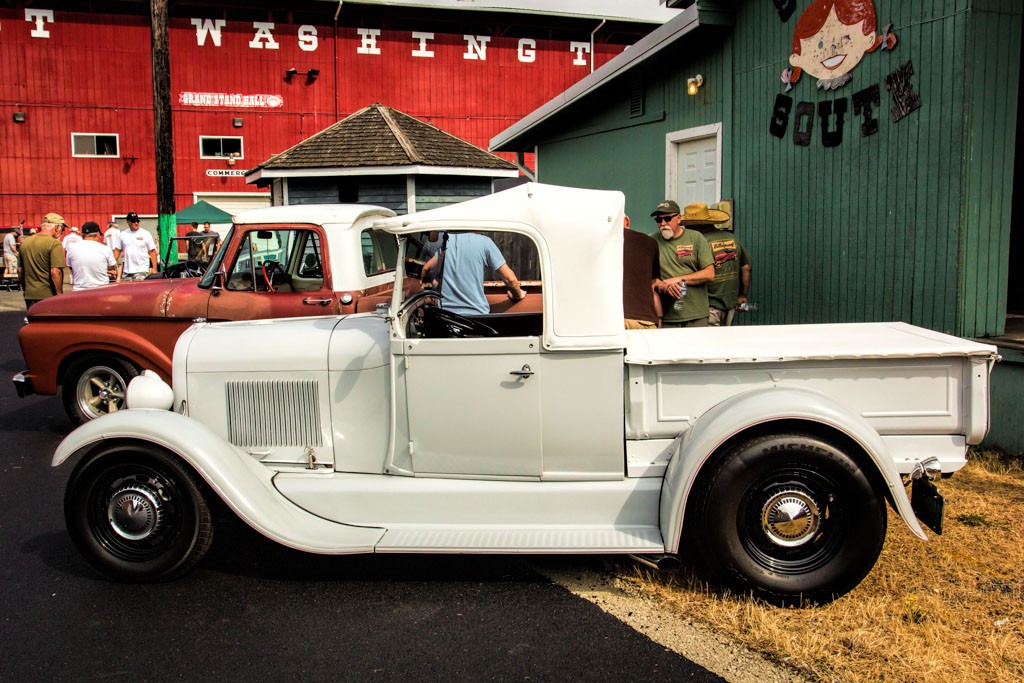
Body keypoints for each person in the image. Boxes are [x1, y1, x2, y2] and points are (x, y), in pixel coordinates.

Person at [421, 232, 525, 316]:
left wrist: (430, 286)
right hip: (476, 318)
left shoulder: (448, 242)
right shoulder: (485, 243)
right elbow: (510, 279)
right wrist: (518, 295)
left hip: (447, 317)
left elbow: (427, 268)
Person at [683, 203, 752, 326]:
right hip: (730, 302)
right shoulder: (732, 238)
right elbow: (746, 268)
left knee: (709, 343)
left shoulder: (698, 242)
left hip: (707, 305)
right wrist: (742, 296)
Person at [651, 200, 715, 328]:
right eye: (659, 220)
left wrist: (677, 279)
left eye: (667, 218)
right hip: (667, 316)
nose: (663, 224)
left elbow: (710, 274)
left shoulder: (696, 238)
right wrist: (663, 285)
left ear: (678, 218)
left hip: (696, 314)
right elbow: (646, 278)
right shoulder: (652, 241)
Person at [18, 212, 66, 309]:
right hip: (48, 295)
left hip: (29, 295)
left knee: (33, 323)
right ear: (57, 228)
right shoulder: (54, 244)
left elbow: (20, 270)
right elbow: (55, 272)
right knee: (50, 323)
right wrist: (60, 294)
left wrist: (25, 288)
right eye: (63, 229)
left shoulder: (25, 242)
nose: (62, 232)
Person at [622, 215, 662, 329]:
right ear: (627, 221)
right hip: (643, 319)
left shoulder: (597, 243)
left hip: (608, 320)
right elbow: (652, 284)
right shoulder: (650, 242)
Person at [66, 221, 117, 290]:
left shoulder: (71, 248)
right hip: (101, 289)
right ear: (98, 234)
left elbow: (70, 267)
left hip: (79, 290)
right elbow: (112, 267)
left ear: (82, 234)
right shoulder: (105, 249)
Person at [118, 212, 157, 280]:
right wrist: (111, 264)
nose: (136, 223)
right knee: (126, 290)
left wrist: (154, 268)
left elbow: (152, 251)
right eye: (133, 221)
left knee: (139, 289)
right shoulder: (122, 234)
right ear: (128, 222)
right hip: (127, 271)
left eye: (137, 221)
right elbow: (117, 250)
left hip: (141, 270)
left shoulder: (146, 234)